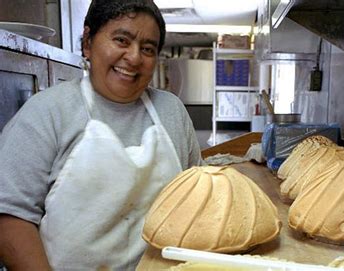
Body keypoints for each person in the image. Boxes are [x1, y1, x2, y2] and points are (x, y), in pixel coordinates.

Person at [0, 0, 202, 269]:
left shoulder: (171, 112)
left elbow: (198, 199)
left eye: (148, 48)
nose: (134, 57)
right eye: (121, 40)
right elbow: (11, 217)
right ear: (88, 42)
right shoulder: (48, 112)